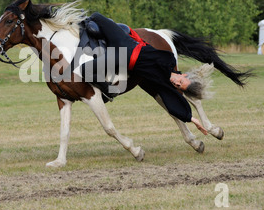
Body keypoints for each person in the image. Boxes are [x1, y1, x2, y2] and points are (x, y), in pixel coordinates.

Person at [80, 12, 208, 135]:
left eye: (178, 86)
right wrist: (135, 37)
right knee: (96, 16)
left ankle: (108, 91)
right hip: (126, 43)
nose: (176, 83)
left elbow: (173, 101)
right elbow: (147, 46)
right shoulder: (169, 59)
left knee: (85, 69)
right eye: (180, 81)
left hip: (121, 57)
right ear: (184, 75)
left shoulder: (162, 82)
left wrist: (192, 118)